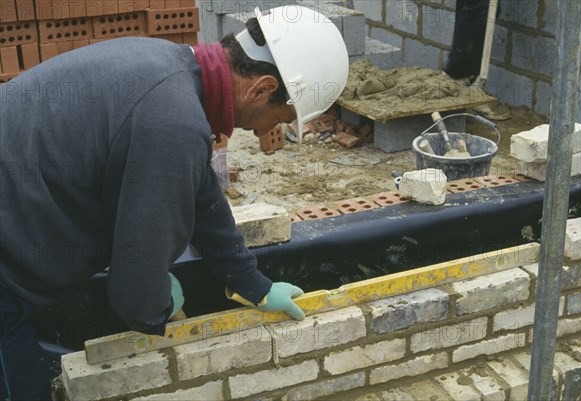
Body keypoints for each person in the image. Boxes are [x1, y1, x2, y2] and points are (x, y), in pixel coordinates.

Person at [0, 5, 349, 399]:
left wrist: (252, 283)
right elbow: (133, 289)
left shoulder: (170, 71)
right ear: (262, 89)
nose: (272, 129)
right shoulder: (173, 121)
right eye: (282, 116)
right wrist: (158, 306)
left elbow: (201, 195)